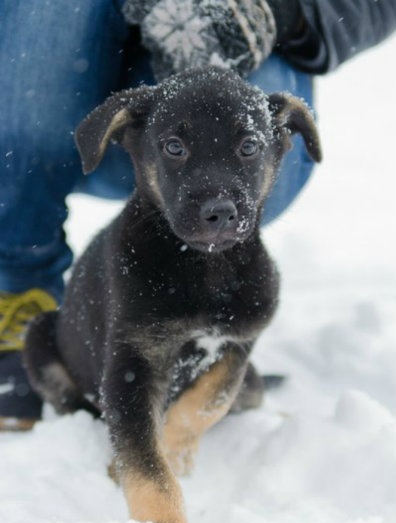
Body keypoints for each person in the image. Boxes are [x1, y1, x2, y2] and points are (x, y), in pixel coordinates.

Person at [1, 0, 395, 431]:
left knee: (239, 104)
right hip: (87, 107)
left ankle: (208, 342)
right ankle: (17, 287)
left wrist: (283, 12)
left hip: (219, 76)